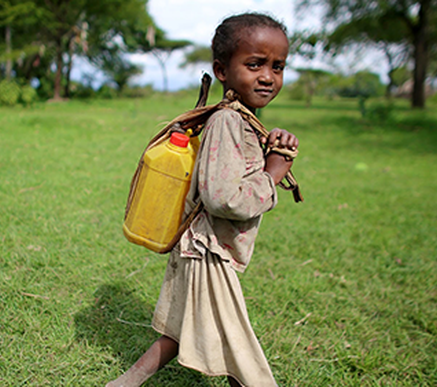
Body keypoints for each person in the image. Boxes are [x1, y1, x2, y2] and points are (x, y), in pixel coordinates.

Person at [107, 12, 298, 387]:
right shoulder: (227, 121)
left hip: (204, 246)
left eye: (278, 67)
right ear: (222, 70)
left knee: (179, 333)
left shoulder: (243, 121)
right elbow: (223, 199)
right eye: (255, 64)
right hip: (209, 251)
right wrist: (273, 173)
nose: (267, 76)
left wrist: (270, 145)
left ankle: (124, 384)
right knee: (241, 351)